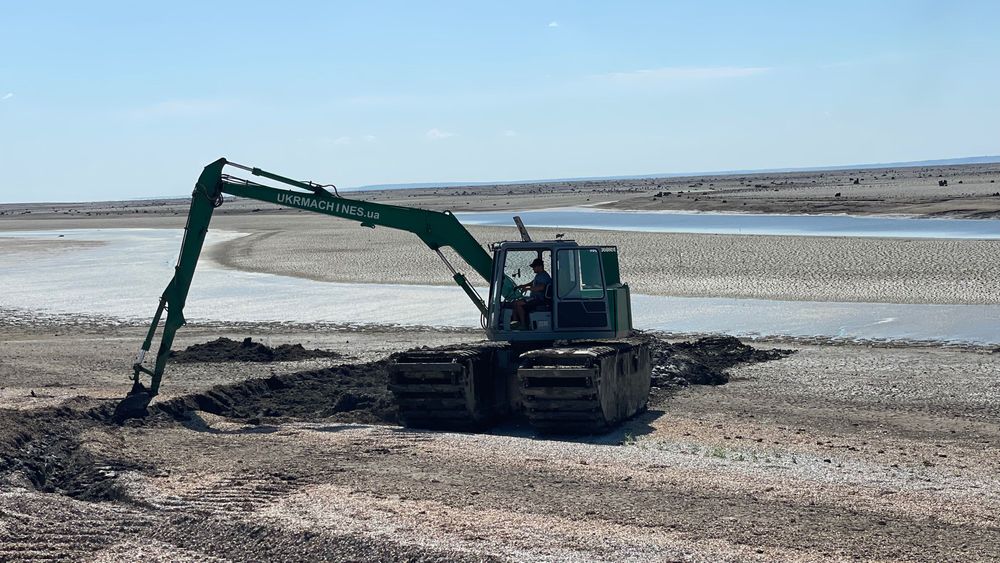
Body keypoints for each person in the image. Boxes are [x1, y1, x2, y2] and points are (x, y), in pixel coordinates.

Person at [511, 257, 551, 329]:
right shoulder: (539, 275)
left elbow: (541, 287)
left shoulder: (544, 276)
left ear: (540, 266)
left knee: (518, 303)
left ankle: (523, 325)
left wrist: (528, 288)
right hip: (534, 298)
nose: (533, 268)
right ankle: (515, 322)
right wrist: (522, 286)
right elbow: (532, 283)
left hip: (539, 299)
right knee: (515, 302)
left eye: (534, 267)